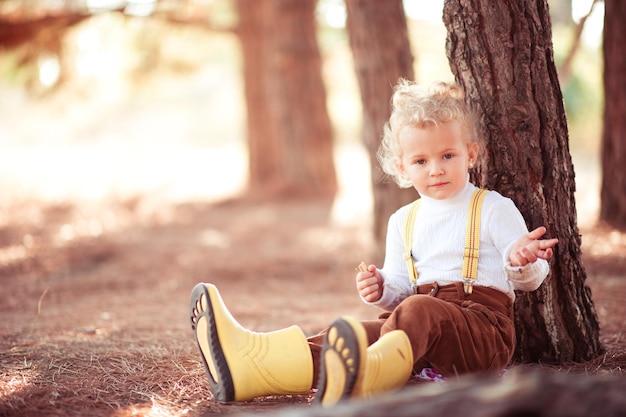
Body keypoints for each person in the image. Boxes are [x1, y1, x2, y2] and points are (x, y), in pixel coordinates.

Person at [189, 79, 559, 407]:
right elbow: (401, 291)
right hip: (417, 333)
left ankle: (367, 383)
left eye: (448, 155)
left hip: (481, 335)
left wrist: (521, 258)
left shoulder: (492, 207)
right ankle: (252, 366)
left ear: (471, 154)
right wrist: (382, 286)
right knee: (345, 335)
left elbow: (530, 278)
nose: (436, 169)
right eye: (421, 160)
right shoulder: (403, 220)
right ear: (402, 168)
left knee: (417, 310)